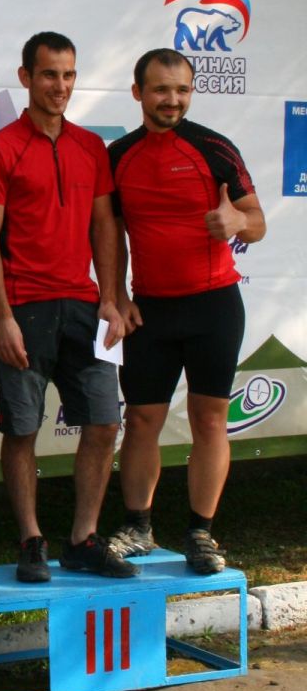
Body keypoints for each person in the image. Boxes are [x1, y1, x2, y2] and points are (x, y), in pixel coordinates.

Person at [0, 32, 139, 583]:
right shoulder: (1, 148)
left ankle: (83, 539)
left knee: (104, 421)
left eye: (68, 75)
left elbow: (104, 226)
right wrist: (1, 316)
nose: (60, 86)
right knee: (22, 429)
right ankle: (31, 540)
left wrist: (111, 297)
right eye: (48, 74)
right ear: (26, 78)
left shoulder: (91, 147)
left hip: (84, 307)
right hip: (24, 307)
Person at [107, 48, 266, 575]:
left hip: (214, 306)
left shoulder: (214, 148)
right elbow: (109, 234)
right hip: (150, 310)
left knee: (210, 419)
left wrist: (236, 222)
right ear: (138, 93)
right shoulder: (119, 155)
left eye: (181, 90)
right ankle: (137, 527)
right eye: (160, 89)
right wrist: (117, 294)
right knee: (141, 419)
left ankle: (201, 533)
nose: (171, 100)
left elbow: (257, 221)